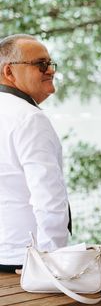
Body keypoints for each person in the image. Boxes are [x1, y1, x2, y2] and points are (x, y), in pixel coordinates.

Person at [0, 34, 69, 273]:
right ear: (9, 72)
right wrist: (53, 261)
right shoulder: (29, 118)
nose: (50, 70)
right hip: (27, 262)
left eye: (50, 63)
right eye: (41, 64)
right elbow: (48, 197)